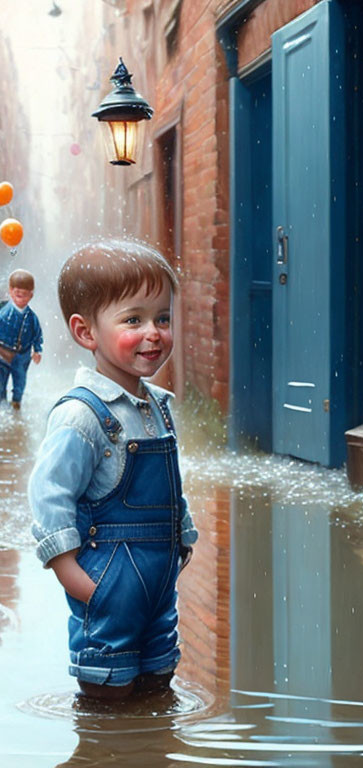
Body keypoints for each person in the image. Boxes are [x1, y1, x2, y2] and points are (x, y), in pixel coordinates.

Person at [28, 239, 197, 700]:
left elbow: (171, 487)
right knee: (107, 694)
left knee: (159, 683)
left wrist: (183, 536)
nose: (154, 332)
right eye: (133, 319)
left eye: (163, 317)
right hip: (107, 585)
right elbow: (49, 495)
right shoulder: (81, 415)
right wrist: (73, 575)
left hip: (158, 585)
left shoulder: (159, 406)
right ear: (86, 333)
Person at [0, 269, 43, 409]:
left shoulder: (32, 317)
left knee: (20, 382)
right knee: (0, 381)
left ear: (31, 295)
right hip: (2, 353)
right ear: (11, 291)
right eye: (17, 294)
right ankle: (2, 404)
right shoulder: (3, 312)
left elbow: (37, 334)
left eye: (24, 296)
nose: (20, 299)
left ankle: (16, 402)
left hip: (22, 355)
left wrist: (37, 350)